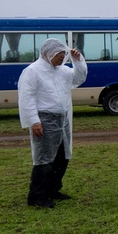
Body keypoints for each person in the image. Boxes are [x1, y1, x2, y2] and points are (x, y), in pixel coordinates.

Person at [17, 39, 87, 208]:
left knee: (62, 156)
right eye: (59, 55)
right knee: (44, 159)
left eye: (64, 54)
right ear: (48, 53)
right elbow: (27, 97)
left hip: (62, 119)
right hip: (44, 119)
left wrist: (78, 61)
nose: (62, 58)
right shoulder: (33, 71)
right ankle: (37, 196)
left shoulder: (62, 71)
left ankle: (53, 188)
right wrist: (34, 121)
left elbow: (79, 78)